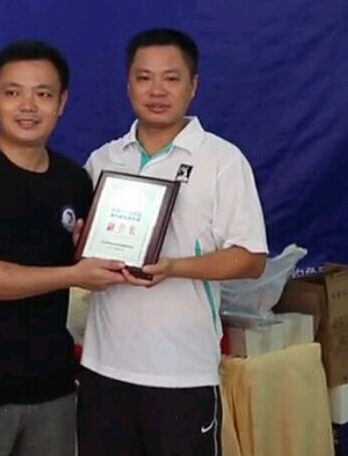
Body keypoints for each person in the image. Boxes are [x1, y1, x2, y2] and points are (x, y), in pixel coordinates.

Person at [77, 28, 269, 456]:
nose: (157, 91)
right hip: (103, 367)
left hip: (182, 372)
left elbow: (251, 258)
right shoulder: (104, 160)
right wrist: (81, 248)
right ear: (128, 85)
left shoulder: (222, 161)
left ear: (193, 85)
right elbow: (84, 254)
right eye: (144, 78)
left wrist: (175, 268)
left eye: (171, 78)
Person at [0, 40, 125, 456]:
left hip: (53, 386)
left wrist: (92, 252)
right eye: (13, 92)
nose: (28, 106)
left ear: (62, 102)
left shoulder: (74, 180)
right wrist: (74, 274)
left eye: (43, 94)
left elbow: (83, 257)